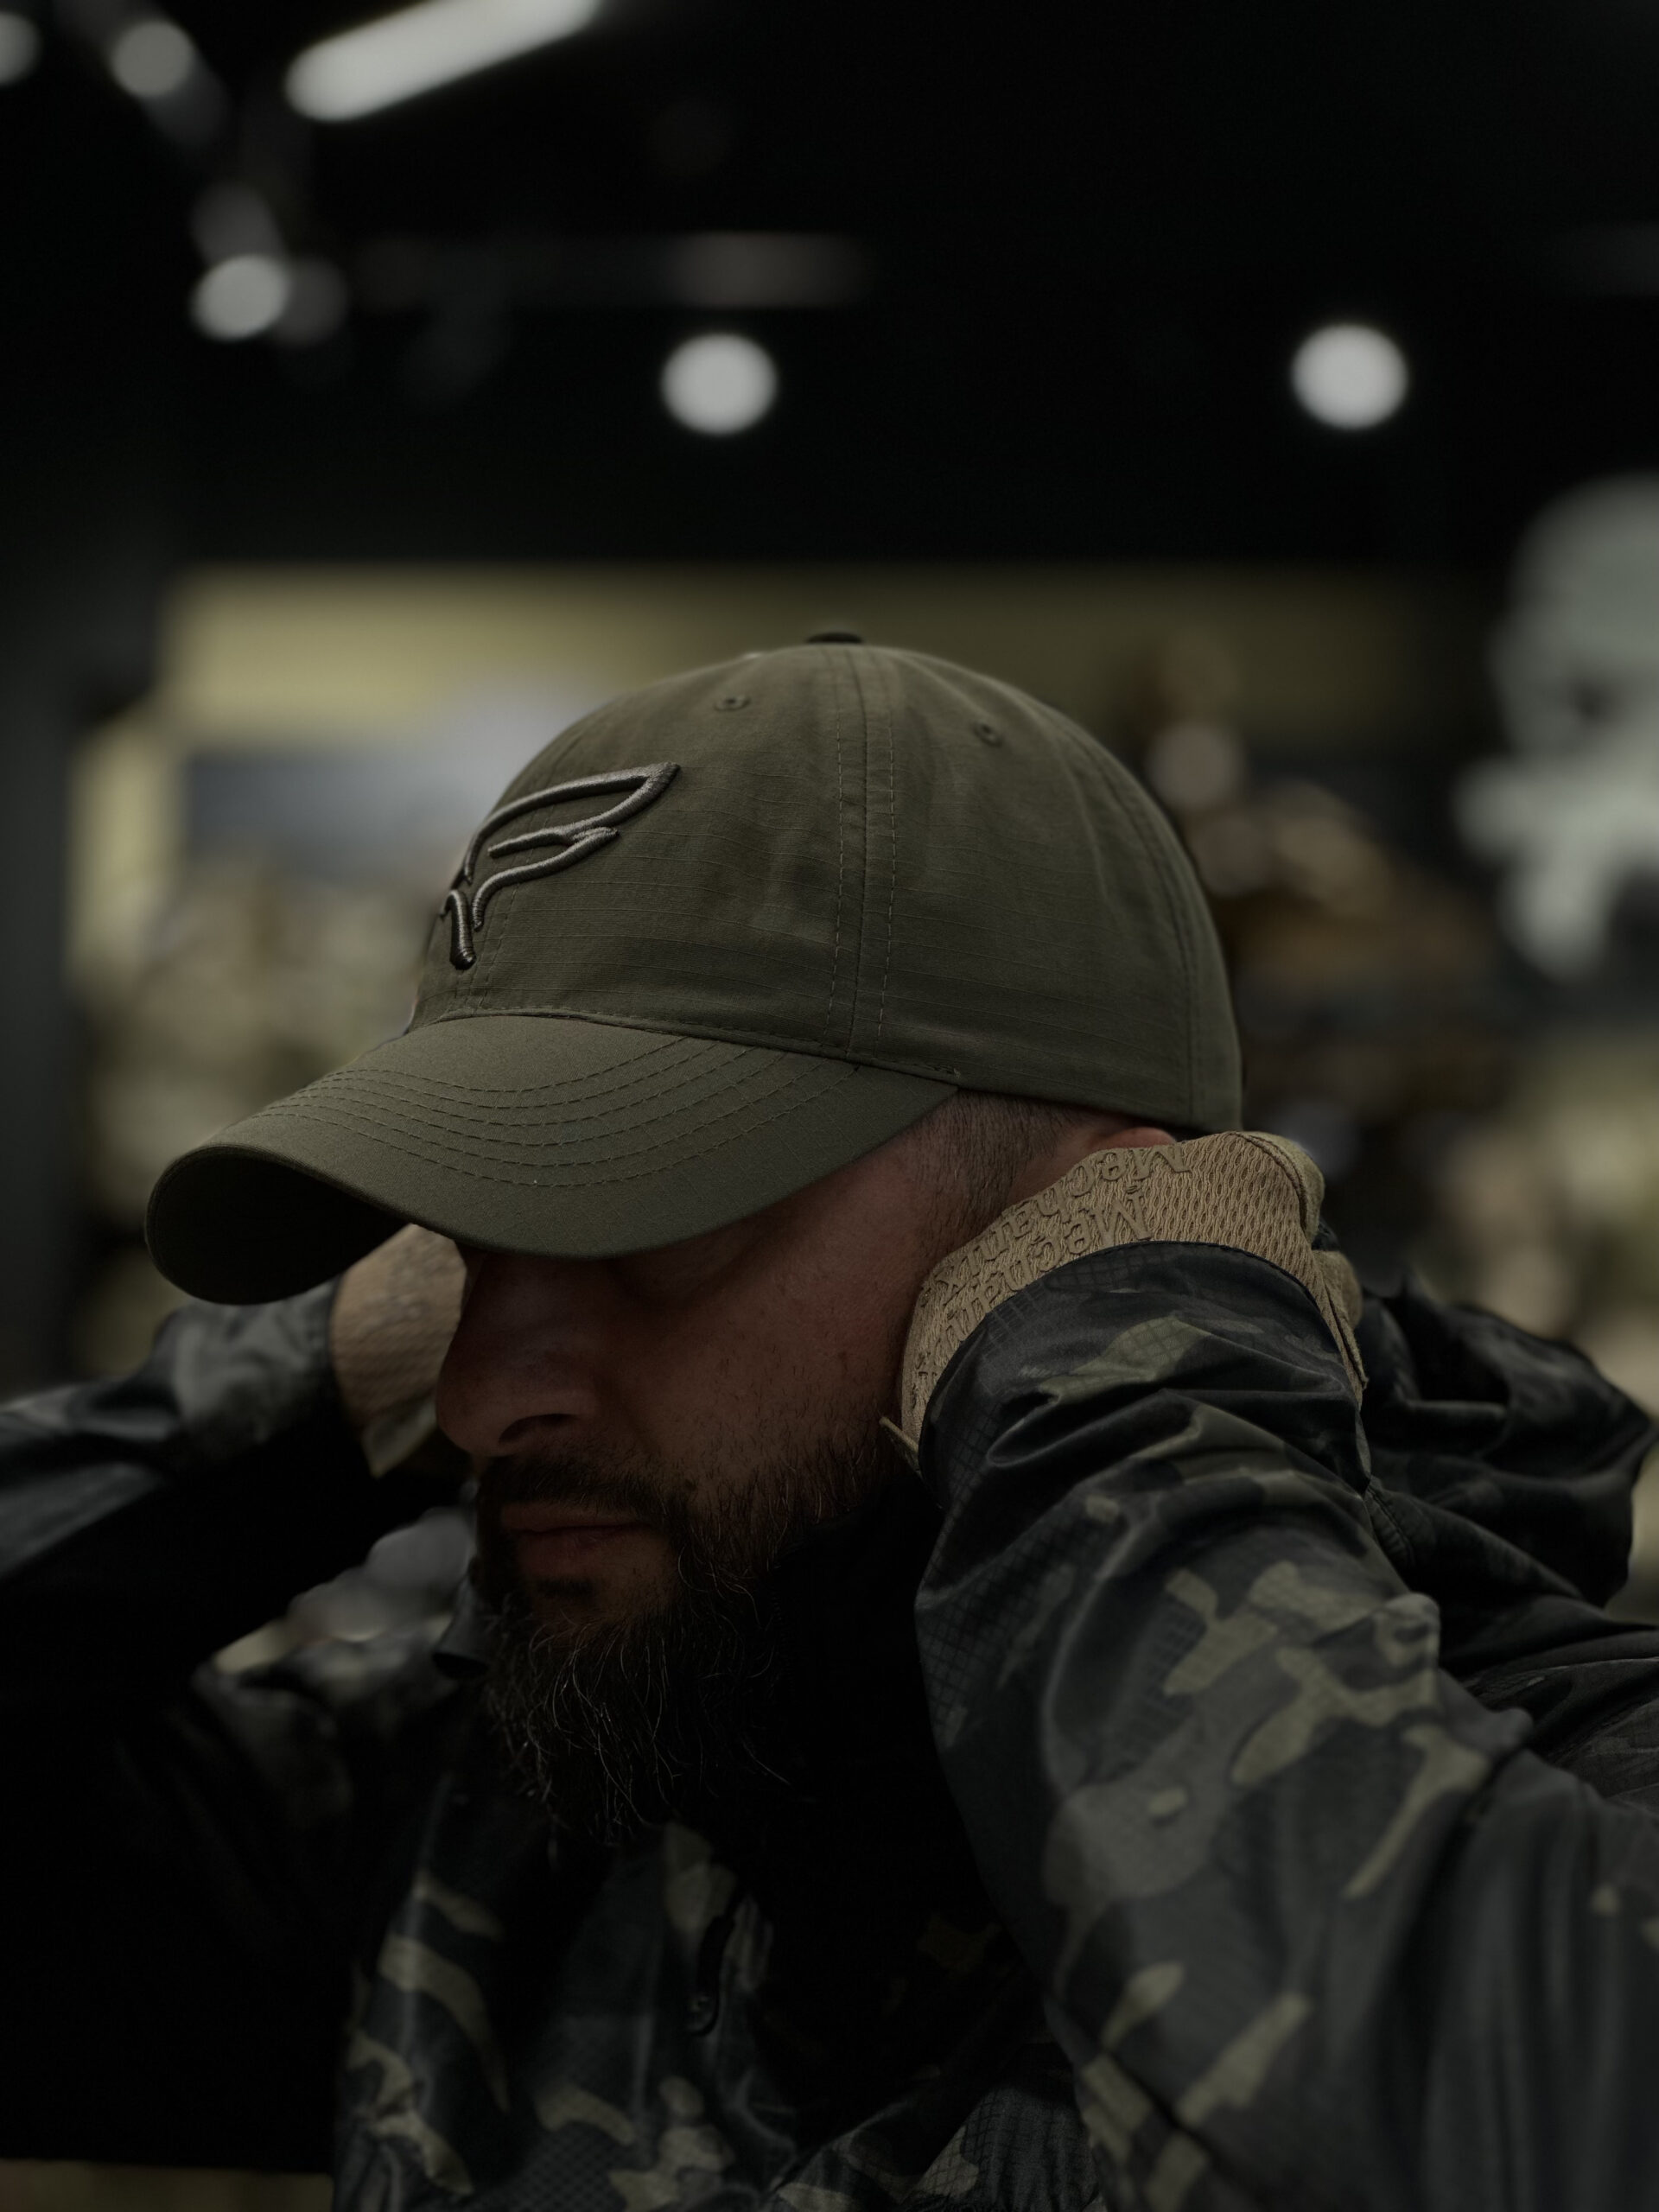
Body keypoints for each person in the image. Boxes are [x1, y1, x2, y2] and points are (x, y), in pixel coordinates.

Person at [5, 640, 1659, 2211]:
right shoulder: (514, 1832)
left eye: (646, 1220)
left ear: (1083, 1226)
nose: (479, 1392)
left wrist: (1117, 1392)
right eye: (469, 1247)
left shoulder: (1547, 1790)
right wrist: (299, 1396)